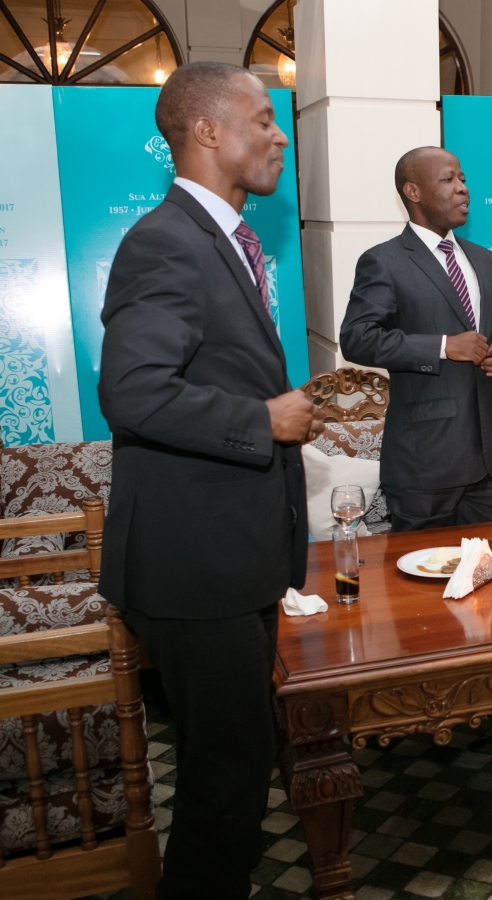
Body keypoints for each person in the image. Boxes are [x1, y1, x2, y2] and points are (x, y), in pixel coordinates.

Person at [97, 62, 323, 899]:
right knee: (226, 782)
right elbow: (131, 389)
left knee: (233, 767)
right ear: (207, 132)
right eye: (263, 117)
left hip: (230, 559)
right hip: (195, 568)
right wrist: (262, 419)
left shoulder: (224, 238)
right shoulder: (166, 240)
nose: (278, 134)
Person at [341, 147, 492, 530]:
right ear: (413, 192)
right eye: (448, 180)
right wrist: (444, 346)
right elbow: (357, 337)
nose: (462, 189)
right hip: (423, 464)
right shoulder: (384, 261)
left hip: (486, 459)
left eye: (462, 179)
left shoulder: (483, 259)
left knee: (487, 572)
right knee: (419, 581)